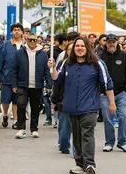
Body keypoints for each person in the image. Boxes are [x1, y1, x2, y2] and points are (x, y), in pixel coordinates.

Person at [48, 36, 116, 174]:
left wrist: (112, 103)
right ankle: (79, 164)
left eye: (82, 46)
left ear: (87, 47)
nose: (79, 48)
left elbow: (107, 84)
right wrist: (53, 67)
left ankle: (90, 164)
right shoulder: (67, 63)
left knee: (87, 134)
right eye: (77, 46)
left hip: (89, 107)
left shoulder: (97, 64)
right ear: (73, 49)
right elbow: (57, 79)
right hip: (71, 107)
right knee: (77, 136)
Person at [12, 33, 52, 139]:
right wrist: (14, 84)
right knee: (21, 105)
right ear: (26, 40)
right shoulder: (20, 52)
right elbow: (14, 69)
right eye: (30, 40)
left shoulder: (43, 54)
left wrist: (48, 84)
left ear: (38, 41)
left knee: (35, 107)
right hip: (22, 84)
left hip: (37, 85)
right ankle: (21, 128)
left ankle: (34, 129)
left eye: (34, 40)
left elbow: (46, 70)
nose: (32, 42)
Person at [98, 34, 126, 153]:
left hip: (121, 93)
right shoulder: (100, 57)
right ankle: (109, 142)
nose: (111, 44)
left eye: (113, 42)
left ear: (117, 43)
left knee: (123, 116)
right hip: (105, 94)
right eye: (109, 42)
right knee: (108, 119)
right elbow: (96, 75)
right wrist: (100, 91)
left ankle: (122, 142)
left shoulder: (124, 56)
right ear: (105, 43)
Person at [0, 23, 24, 129]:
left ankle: (15, 121)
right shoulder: (5, 45)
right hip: (6, 77)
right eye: (14, 30)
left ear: (22, 32)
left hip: (20, 78)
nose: (17, 31)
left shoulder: (25, 46)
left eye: (18, 30)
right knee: (6, 99)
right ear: (11, 32)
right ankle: (5, 115)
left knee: (17, 100)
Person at [51, 43, 73, 154]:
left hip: (79, 101)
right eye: (70, 49)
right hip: (63, 99)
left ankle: (77, 149)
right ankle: (64, 144)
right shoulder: (62, 64)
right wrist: (54, 100)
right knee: (64, 126)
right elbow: (57, 82)